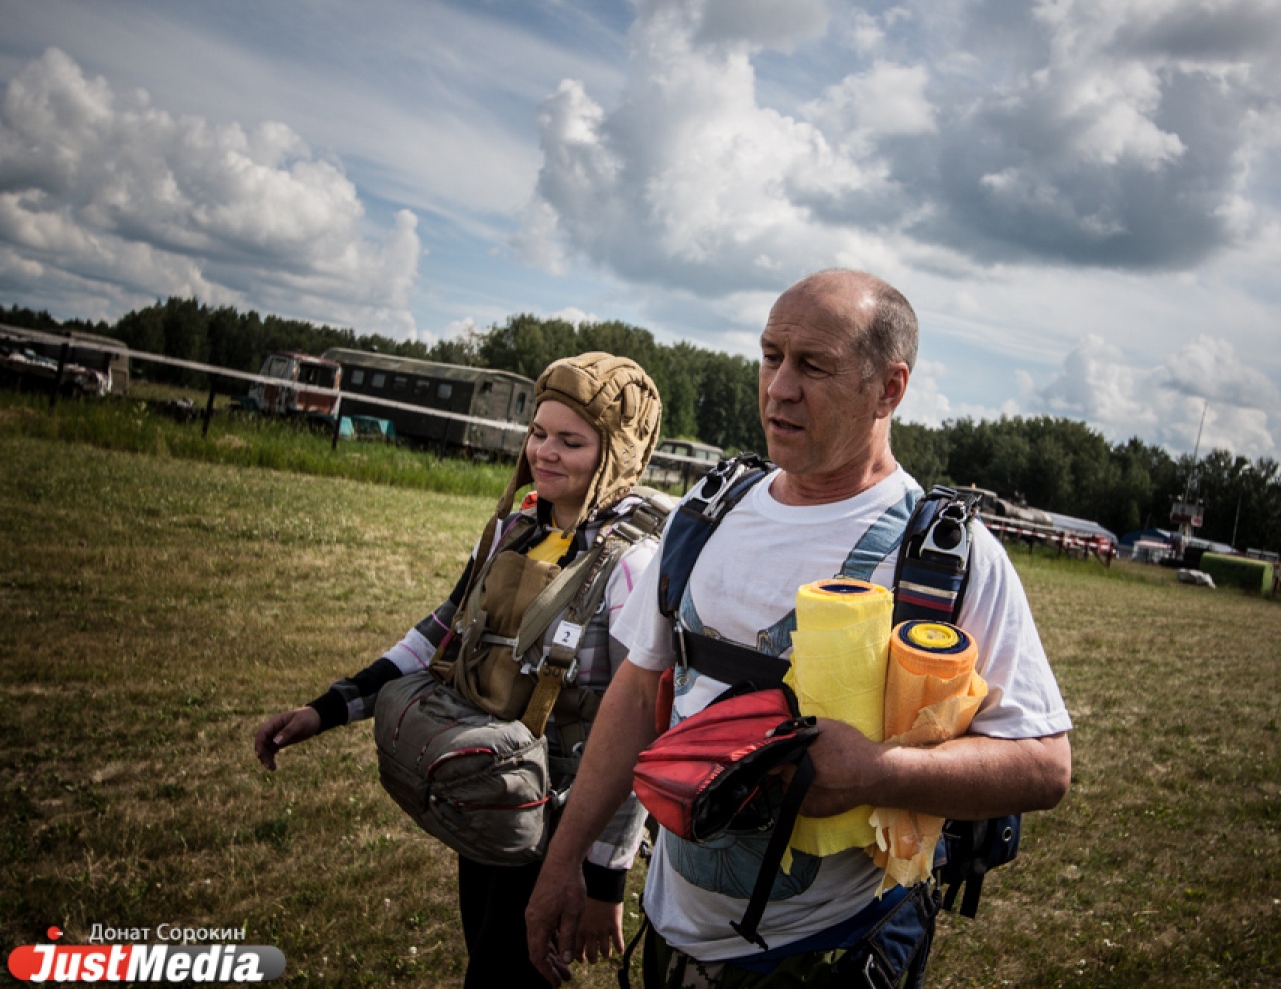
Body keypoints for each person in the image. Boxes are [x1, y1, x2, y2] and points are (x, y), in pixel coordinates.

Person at [525, 269, 1073, 987]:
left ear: (889, 389)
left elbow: (1044, 765)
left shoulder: (946, 558)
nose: (779, 387)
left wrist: (877, 772)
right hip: (670, 935)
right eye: (770, 355)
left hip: (830, 953)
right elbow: (636, 691)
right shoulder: (706, 511)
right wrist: (565, 858)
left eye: (814, 365)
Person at [253, 353, 665, 989]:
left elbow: (637, 728)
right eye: (538, 433)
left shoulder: (635, 565)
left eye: (571, 441)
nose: (544, 452)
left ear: (617, 455)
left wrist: (605, 877)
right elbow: (440, 633)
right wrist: (327, 710)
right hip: (490, 804)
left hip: (562, 828)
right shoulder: (514, 529)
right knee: (485, 960)